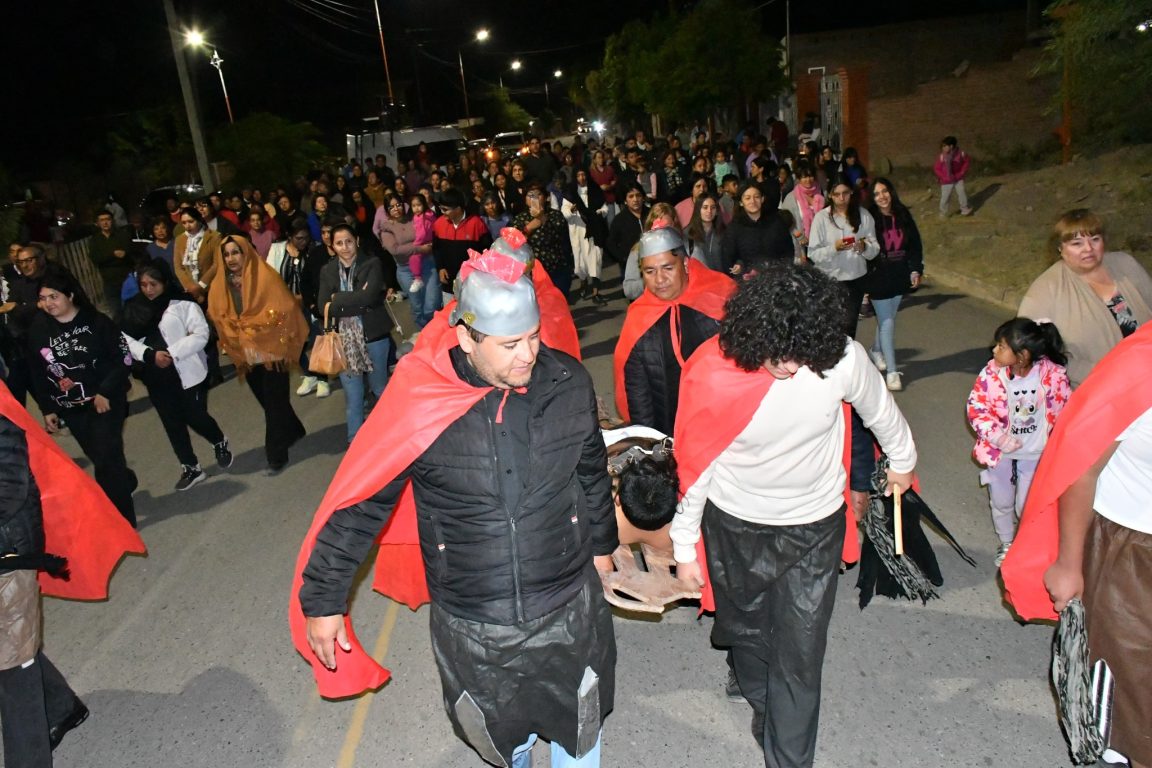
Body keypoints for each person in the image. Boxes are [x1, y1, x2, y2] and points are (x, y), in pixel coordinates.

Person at [293, 250, 616, 767]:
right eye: (509, 344)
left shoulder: (568, 382)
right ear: (466, 337)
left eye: (533, 336)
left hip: (568, 607)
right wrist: (325, 599)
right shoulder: (421, 400)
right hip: (475, 624)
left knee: (578, 731)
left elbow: (591, 471)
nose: (528, 355)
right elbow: (362, 504)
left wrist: (603, 546)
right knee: (504, 745)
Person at [672, 263, 916, 767]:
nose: (787, 366)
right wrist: (684, 547)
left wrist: (903, 461)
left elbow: (881, 413)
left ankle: (788, 754)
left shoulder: (840, 360)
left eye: (800, 354)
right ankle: (765, 703)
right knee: (746, 637)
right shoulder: (713, 370)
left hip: (813, 528)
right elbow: (697, 465)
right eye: (777, 353)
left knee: (800, 654)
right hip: (735, 525)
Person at [1001, 322, 1152, 768]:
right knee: (1130, 695)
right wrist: (1069, 563)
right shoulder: (1140, 365)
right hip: (1129, 552)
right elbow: (1081, 466)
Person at [27, 270, 138, 526]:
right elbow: (37, 373)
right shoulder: (38, 331)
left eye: (54, 296)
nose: (48, 303)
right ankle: (125, 480)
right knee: (100, 456)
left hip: (106, 401)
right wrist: (47, 408)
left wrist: (105, 391)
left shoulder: (97, 322)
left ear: (70, 295)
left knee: (106, 457)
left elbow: (123, 359)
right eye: (43, 298)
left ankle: (123, 521)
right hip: (72, 408)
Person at [967, 318, 1070, 566]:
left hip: (1035, 452)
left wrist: (1059, 439)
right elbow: (976, 409)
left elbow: (1066, 407)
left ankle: (1024, 543)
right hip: (999, 451)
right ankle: (1006, 542)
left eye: (1001, 346)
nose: (994, 350)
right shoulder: (991, 375)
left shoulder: (1052, 376)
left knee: (1027, 505)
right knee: (1001, 500)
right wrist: (998, 437)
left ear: (1022, 356)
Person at [120, 260, 232, 490]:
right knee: (171, 422)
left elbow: (201, 334)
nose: (148, 290)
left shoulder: (183, 303)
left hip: (186, 371)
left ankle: (218, 440)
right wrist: (149, 355)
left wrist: (171, 353)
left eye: (153, 284)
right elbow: (124, 338)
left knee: (195, 416)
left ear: (165, 281)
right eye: (143, 285)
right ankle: (190, 466)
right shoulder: (133, 307)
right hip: (155, 375)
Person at [613, 225, 734, 434]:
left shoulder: (720, 297)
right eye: (650, 271)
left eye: (667, 268)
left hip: (725, 419)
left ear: (685, 264)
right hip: (672, 428)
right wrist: (651, 440)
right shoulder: (639, 318)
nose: (659, 279)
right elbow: (637, 392)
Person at [206, 236, 308, 475]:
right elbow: (216, 314)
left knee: (273, 402)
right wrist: (234, 327)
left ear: (246, 253)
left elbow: (285, 307)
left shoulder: (265, 277)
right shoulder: (221, 285)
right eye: (226, 254)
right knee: (267, 399)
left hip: (272, 348)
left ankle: (276, 453)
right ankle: (294, 429)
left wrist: (258, 325)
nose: (231, 258)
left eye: (235, 252)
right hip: (245, 351)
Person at [1018, 209, 1152, 388]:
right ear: (1060, 248)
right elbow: (1030, 350)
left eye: (1095, 239)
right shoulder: (1045, 291)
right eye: (1077, 243)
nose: (1088, 249)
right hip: (1096, 389)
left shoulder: (1126, 264)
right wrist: (1102, 373)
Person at [316, 224, 393, 444]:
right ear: (332, 247)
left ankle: (392, 434)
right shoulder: (327, 270)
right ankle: (355, 443)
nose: (345, 247)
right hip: (344, 341)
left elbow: (369, 297)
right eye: (339, 243)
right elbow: (322, 306)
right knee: (353, 396)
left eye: (349, 241)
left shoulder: (371, 263)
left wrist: (337, 299)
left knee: (380, 389)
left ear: (357, 241)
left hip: (375, 336)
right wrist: (357, 299)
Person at [864, 178, 924, 390]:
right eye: (876, 193)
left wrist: (915, 269)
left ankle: (876, 350)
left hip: (899, 275)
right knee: (888, 322)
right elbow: (864, 248)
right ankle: (892, 372)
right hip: (878, 277)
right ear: (872, 198)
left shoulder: (903, 214)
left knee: (887, 318)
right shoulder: (869, 218)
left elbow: (914, 244)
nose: (882, 196)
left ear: (891, 192)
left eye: (885, 191)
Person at [807, 175, 880, 336]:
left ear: (851, 192)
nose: (841, 198)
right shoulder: (821, 218)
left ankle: (848, 352)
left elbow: (875, 249)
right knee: (831, 326)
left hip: (855, 279)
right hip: (830, 279)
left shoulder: (863, 215)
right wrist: (834, 248)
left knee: (849, 326)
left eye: (845, 193)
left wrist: (864, 247)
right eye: (837, 194)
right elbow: (813, 253)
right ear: (830, 195)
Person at [376, 193, 439, 332]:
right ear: (387, 210)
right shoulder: (386, 228)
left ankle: (436, 331)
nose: (396, 209)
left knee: (432, 304)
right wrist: (419, 248)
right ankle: (425, 333)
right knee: (417, 306)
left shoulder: (414, 218)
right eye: (391, 207)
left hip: (426, 264)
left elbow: (428, 231)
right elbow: (395, 250)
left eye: (398, 205)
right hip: (406, 270)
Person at [511, 182, 575, 299]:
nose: (534, 198)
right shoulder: (519, 219)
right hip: (534, 273)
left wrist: (542, 218)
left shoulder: (555, 215)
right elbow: (514, 242)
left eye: (538, 194)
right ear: (525, 199)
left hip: (557, 268)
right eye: (530, 195)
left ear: (545, 198)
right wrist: (529, 227)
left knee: (560, 303)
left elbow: (559, 235)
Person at [720, 180, 794, 278]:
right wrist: (742, 272)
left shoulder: (776, 223)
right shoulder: (734, 228)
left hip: (776, 279)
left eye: (756, 197)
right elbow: (728, 262)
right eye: (747, 198)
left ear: (762, 199)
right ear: (741, 202)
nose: (753, 201)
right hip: (747, 283)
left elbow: (788, 252)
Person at [433, 188, 492, 305]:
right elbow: (436, 249)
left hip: (473, 282)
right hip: (448, 282)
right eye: (440, 208)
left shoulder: (476, 223)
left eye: (445, 209)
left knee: (471, 313)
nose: (442, 212)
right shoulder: (438, 224)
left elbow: (487, 251)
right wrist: (440, 268)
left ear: (458, 208)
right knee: (451, 313)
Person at [562, 170, 608, 306]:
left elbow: (604, 207)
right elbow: (564, 211)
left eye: (583, 174)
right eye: (578, 175)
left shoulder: (595, 189)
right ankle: (583, 283)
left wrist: (600, 212)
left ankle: (595, 293)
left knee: (596, 260)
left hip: (594, 231)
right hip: (578, 232)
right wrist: (571, 210)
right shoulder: (570, 193)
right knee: (580, 263)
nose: (581, 177)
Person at [172, 207, 223, 304]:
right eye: (184, 223)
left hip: (211, 288)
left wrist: (200, 286)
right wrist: (190, 287)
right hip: (190, 291)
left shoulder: (214, 237)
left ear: (199, 219)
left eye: (191, 221)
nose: (187, 226)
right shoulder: (180, 239)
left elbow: (216, 264)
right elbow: (178, 267)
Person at [88, 209, 131, 316]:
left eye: (107, 219)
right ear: (98, 223)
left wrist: (121, 255)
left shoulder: (122, 235)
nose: (105, 222)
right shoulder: (95, 240)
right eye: (102, 220)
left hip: (126, 277)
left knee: (131, 308)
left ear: (112, 221)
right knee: (115, 310)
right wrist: (113, 254)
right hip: (109, 281)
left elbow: (129, 253)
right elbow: (96, 258)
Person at [779, 162, 824, 256]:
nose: (808, 180)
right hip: (801, 244)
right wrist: (799, 236)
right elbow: (786, 221)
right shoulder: (791, 197)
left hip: (820, 243)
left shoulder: (820, 193)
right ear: (799, 178)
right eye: (804, 177)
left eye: (810, 176)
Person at [684, 193, 725, 272]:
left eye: (713, 207)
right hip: (700, 277)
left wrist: (738, 263)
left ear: (717, 211)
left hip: (722, 277)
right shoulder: (688, 233)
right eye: (705, 207)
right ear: (698, 210)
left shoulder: (723, 231)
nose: (709, 211)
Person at [404, 193, 435, 294]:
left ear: (424, 204)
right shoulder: (418, 216)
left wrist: (415, 246)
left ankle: (418, 279)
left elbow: (422, 234)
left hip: (425, 242)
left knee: (413, 257)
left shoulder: (423, 217)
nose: (416, 208)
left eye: (419, 205)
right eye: (414, 206)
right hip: (425, 242)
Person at [934, 136, 972, 217]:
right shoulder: (942, 156)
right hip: (946, 180)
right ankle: (943, 213)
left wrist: (962, 173)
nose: (943, 148)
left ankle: (964, 209)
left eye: (945, 146)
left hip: (958, 178)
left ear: (951, 146)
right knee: (945, 197)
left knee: (962, 193)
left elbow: (966, 162)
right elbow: (937, 168)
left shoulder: (961, 154)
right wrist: (943, 177)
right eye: (942, 146)